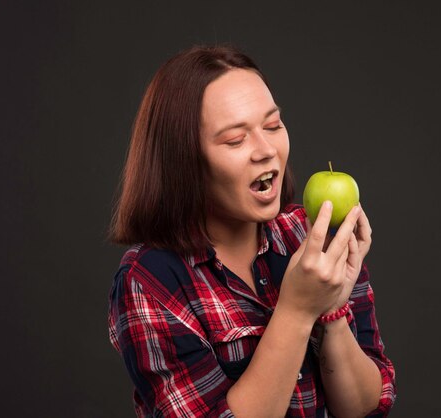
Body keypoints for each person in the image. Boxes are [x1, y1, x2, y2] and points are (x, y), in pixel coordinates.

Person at [108, 44, 396, 417]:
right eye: (235, 139)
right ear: (184, 162)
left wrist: (333, 311)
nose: (266, 150)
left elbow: (364, 409)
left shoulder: (310, 239)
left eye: (273, 126)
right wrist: (295, 310)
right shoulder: (149, 281)